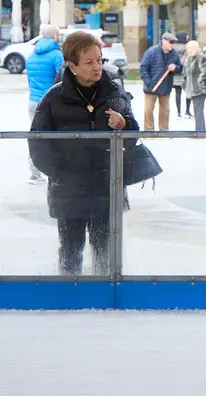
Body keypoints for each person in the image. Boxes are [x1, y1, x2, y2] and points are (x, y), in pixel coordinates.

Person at [28, 31, 139, 275]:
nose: (97, 66)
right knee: (70, 248)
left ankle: (105, 297)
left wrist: (125, 125)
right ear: (72, 65)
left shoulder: (114, 93)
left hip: (106, 187)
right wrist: (60, 173)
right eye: (89, 62)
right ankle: (70, 293)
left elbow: (133, 137)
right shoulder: (52, 99)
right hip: (69, 190)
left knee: (105, 250)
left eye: (99, 60)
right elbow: (37, 143)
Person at [25, 24, 63, 183]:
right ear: (55, 36)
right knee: (55, 138)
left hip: (33, 101)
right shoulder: (56, 55)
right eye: (59, 35)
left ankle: (34, 174)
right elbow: (63, 78)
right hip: (50, 103)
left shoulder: (31, 55)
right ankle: (55, 173)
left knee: (36, 137)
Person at [139, 32, 182, 131]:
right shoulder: (151, 52)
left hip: (166, 87)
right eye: (171, 42)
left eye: (173, 43)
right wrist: (148, 82)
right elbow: (143, 68)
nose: (172, 44)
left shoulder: (174, 54)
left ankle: (164, 130)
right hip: (151, 87)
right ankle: (149, 131)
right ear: (164, 41)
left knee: (165, 111)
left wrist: (175, 67)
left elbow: (180, 68)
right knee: (148, 110)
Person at [182, 40, 206, 132]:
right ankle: (201, 130)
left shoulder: (201, 58)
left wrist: (201, 85)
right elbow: (185, 73)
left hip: (200, 90)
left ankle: (199, 131)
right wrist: (185, 84)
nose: (190, 50)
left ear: (197, 49)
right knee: (197, 110)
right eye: (188, 48)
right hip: (192, 89)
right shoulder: (188, 59)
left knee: (198, 110)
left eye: (192, 48)